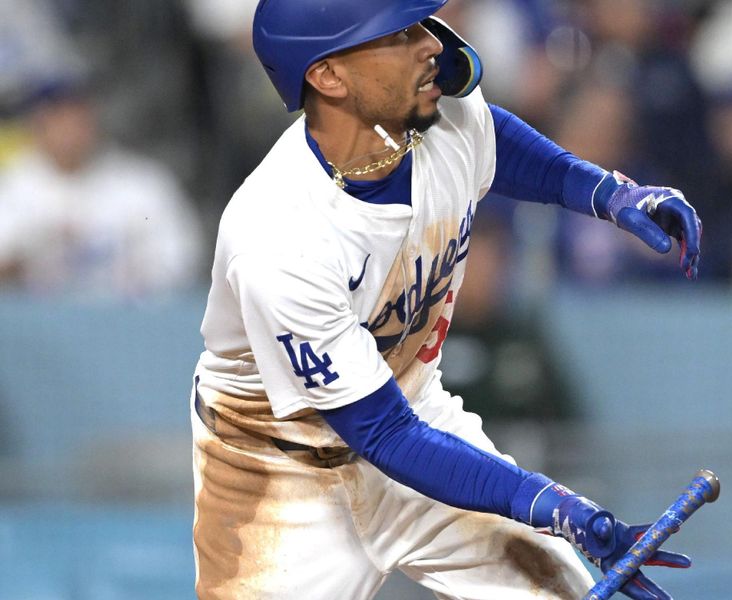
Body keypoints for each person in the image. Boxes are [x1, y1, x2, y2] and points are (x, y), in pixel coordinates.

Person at [191, 1, 702, 599]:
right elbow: (381, 434)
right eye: (400, 33)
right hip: (278, 468)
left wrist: (609, 193)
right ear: (328, 76)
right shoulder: (279, 237)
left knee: (556, 589)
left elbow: (489, 140)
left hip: (416, 416)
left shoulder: (434, 115)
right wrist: (546, 502)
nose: (432, 43)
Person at [0, 75, 205, 296]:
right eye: (57, 117)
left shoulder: (142, 181)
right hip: (36, 322)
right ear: (37, 124)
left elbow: (183, 258)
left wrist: (134, 273)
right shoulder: (12, 184)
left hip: (125, 320)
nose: (68, 129)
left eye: (77, 116)